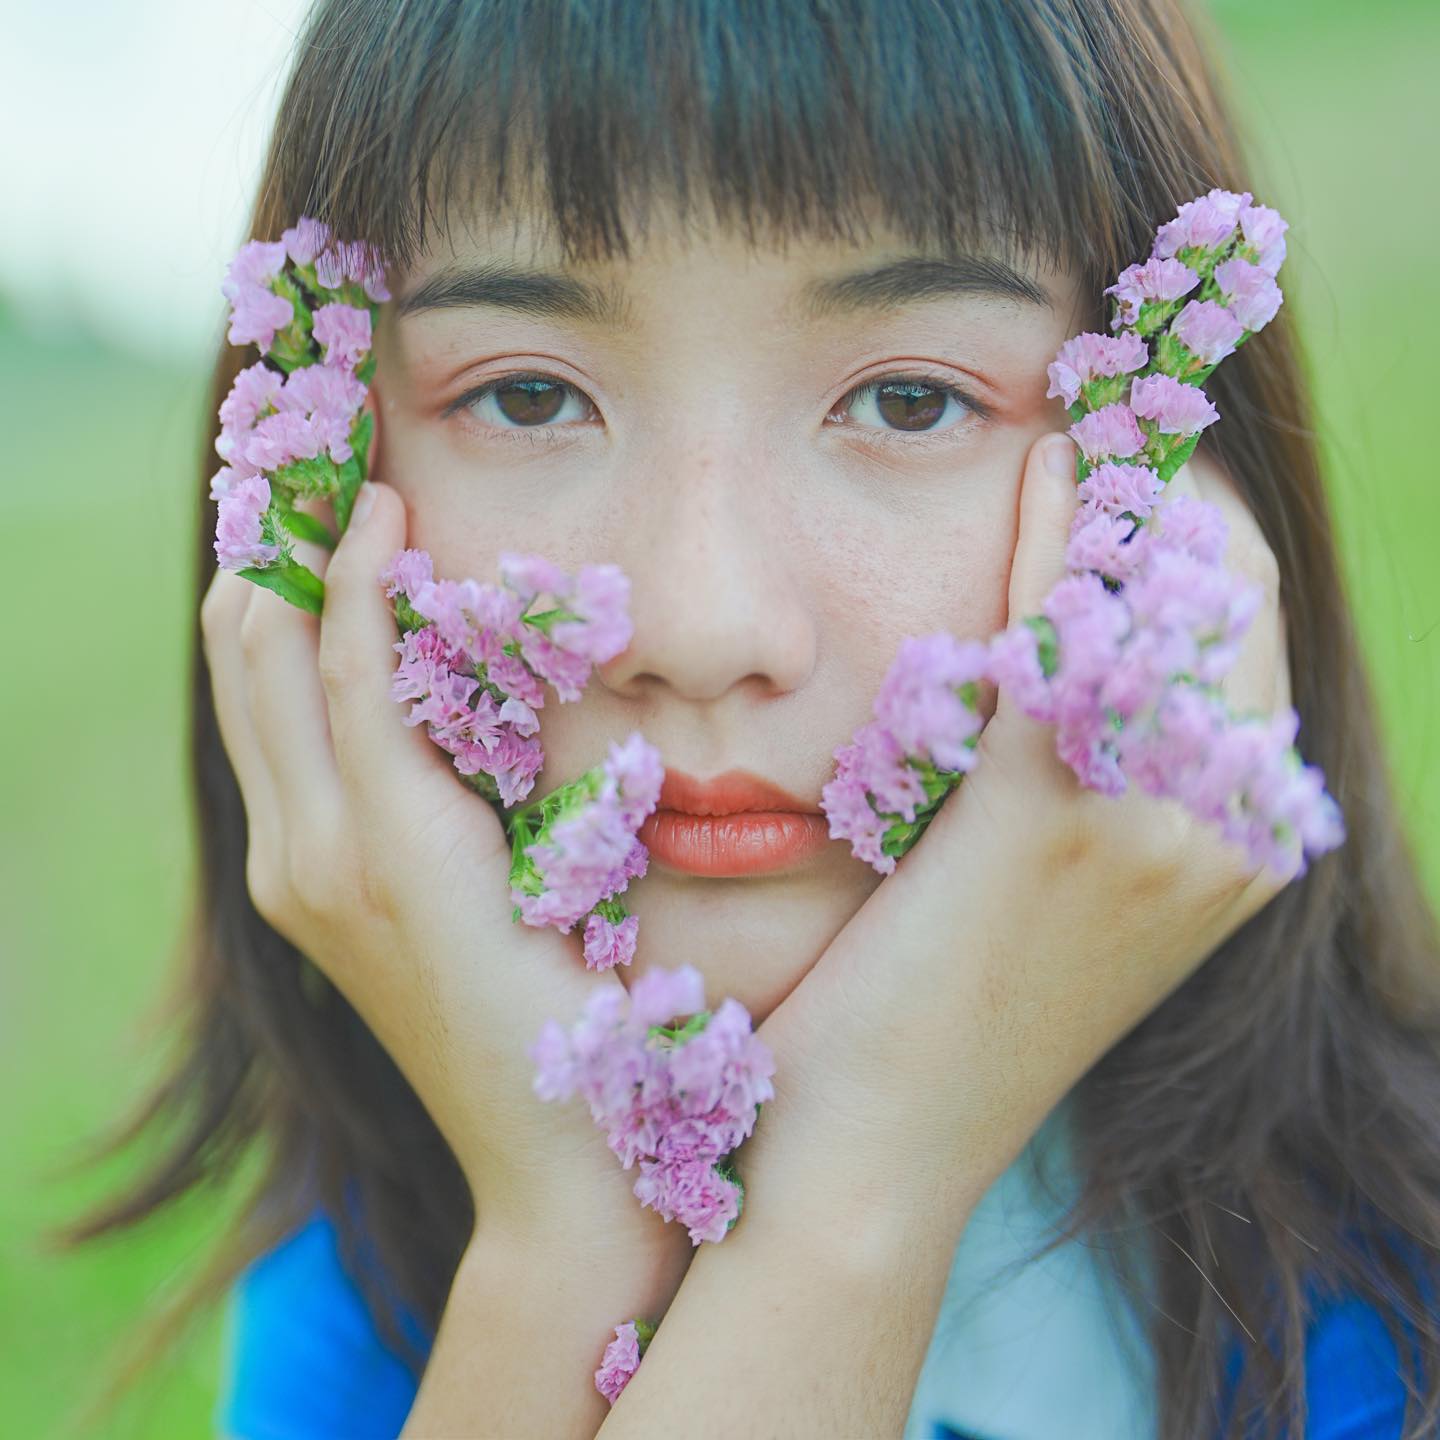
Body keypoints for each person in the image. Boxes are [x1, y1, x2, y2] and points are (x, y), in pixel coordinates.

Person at [59, 1, 1440, 1436]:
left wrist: (859, 1163)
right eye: (528, 395)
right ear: (316, 505)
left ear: (1184, 498)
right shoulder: (375, 1314)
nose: (702, 627)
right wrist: (572, 1246)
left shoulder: (1388, 1323)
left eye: (910, 399)